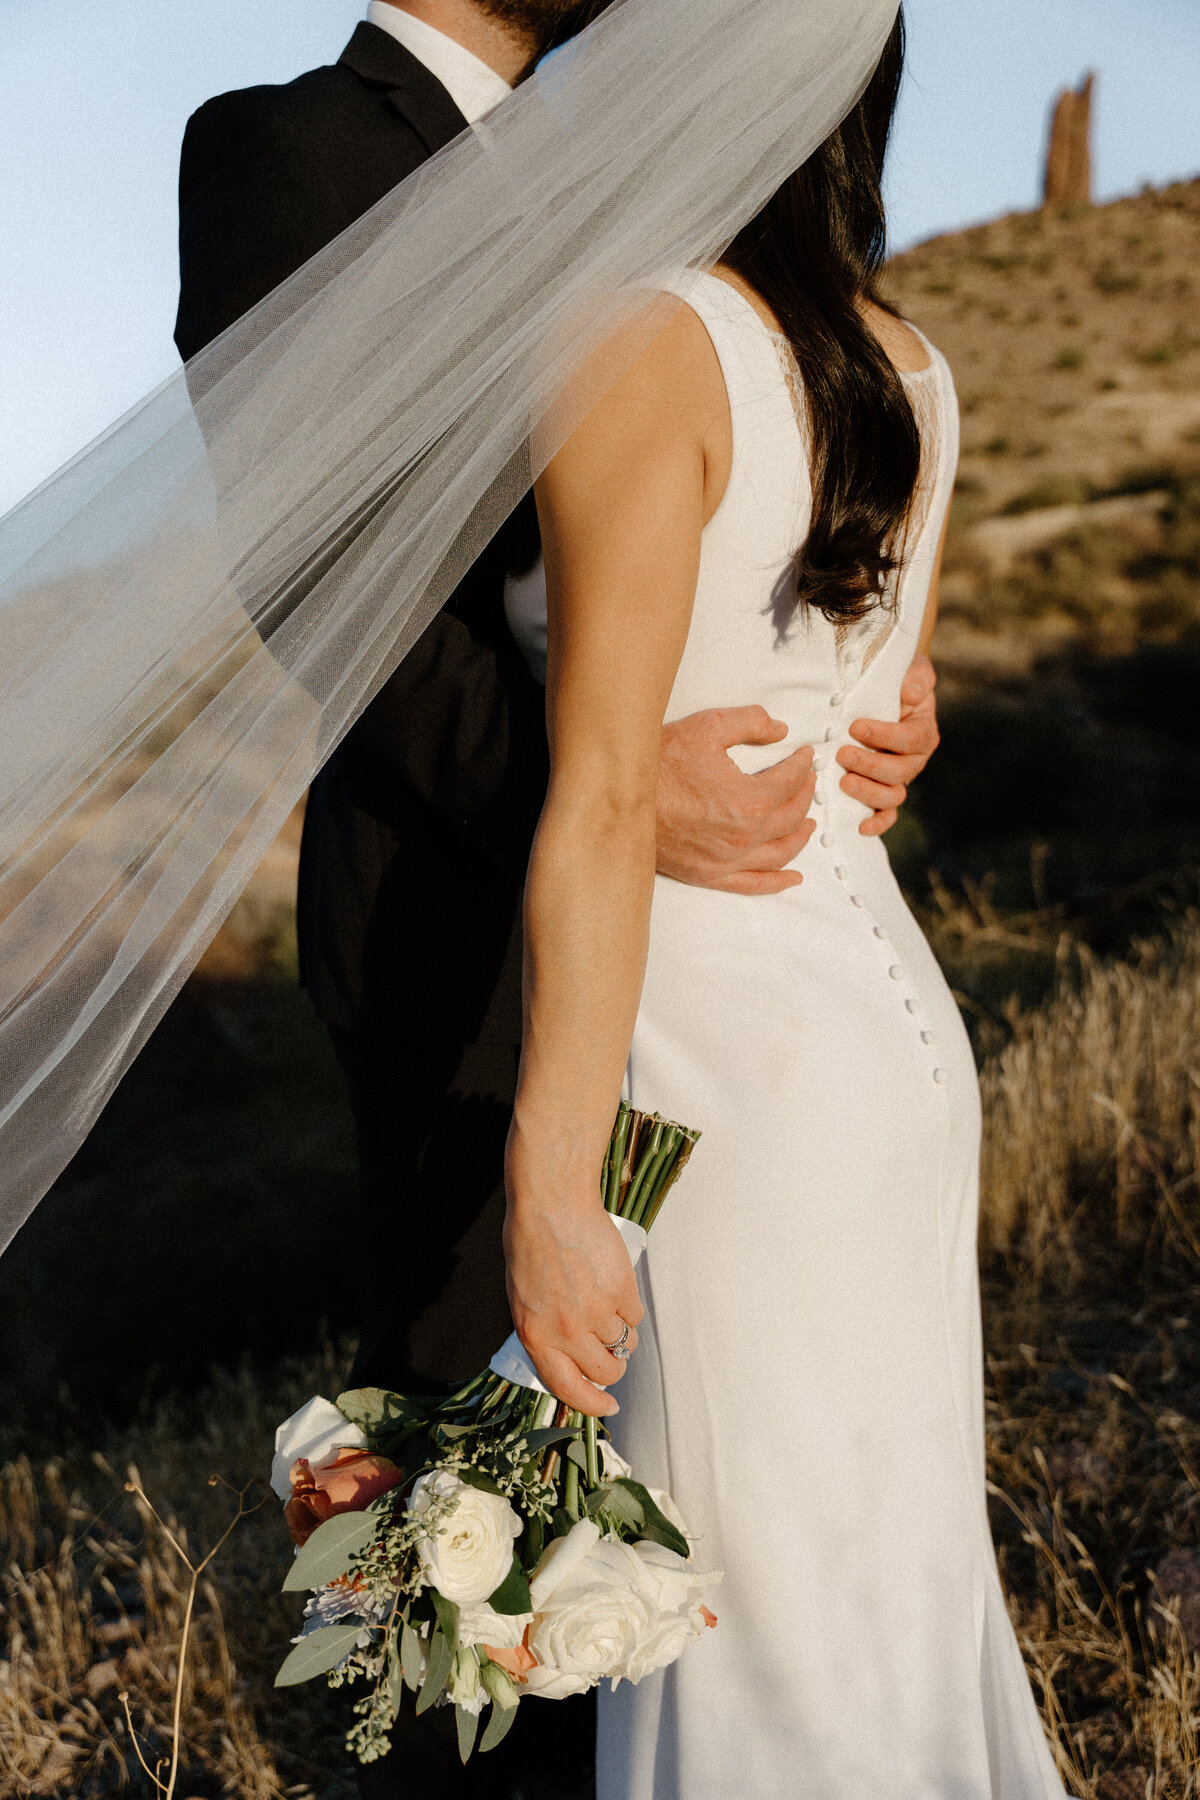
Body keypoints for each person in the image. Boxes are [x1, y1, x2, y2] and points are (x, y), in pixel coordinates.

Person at [174, 0, 939, 1412]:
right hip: (462, 921)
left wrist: (866, 657)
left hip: (733, 960)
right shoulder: (293, 151)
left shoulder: (640, 147)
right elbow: (320, 583)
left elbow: (742, 454)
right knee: (476, 1480)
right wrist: (612, 794)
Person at [505, 12, 1069, 1798]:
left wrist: (550, 1174)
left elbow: (604, 800)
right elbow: (880, 709)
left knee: (745, 1623)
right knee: (875, 1592)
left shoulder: (640, 344)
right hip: (885, 1052)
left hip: (725, 1082)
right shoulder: (911, 366)